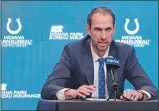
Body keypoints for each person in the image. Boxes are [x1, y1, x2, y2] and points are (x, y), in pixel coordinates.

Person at [41, 6, 158, 101]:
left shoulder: (125, 53)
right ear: (88, 29)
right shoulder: (73, 51)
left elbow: (150, 88)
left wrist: (139, 94)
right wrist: (71, 93)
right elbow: (48, 89)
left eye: (108, 29)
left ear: (114, 29)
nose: (103, 36)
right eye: (98, 29)